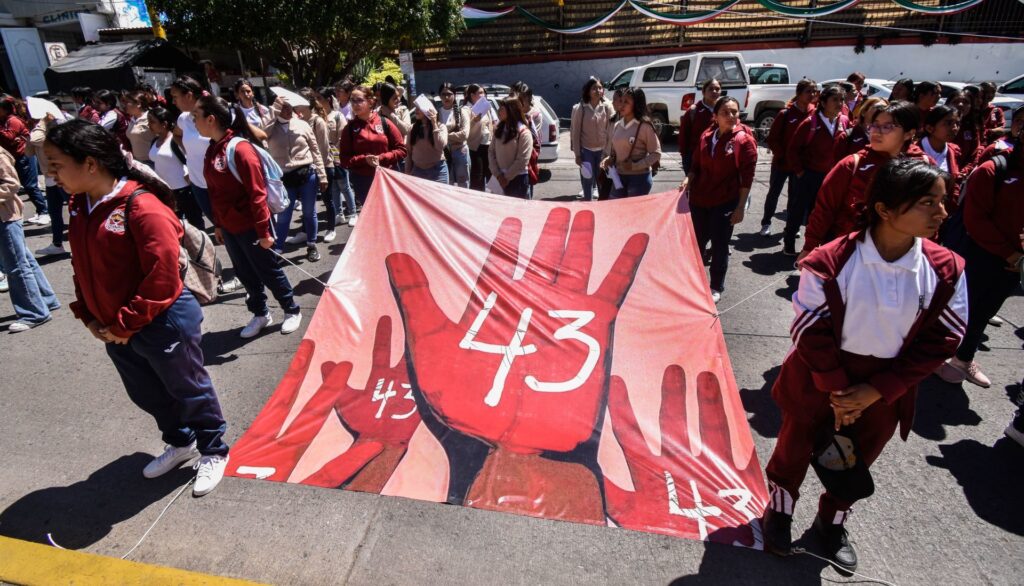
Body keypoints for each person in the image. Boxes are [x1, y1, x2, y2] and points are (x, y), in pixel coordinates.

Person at [762, 158, 966, 573]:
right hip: (818, 377)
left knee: (860, 456)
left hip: (886, 386)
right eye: (928, 203)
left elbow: (945, 337)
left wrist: (878, 390)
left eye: (943, 201)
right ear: (885, 209)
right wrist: (839, 389)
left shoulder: (946, 268)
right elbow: (809, 328)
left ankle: (831, 523)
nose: (942, 212)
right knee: (793, 448)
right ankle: (779, 512)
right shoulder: (832, 259)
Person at [44, 119, 230, 496]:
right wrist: (89, 316)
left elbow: (162, 278)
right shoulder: (79, 205)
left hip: (161, 321)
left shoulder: (142, 206)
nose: (51, 174)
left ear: (90, 164)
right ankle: (180, 442)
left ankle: (214, 449)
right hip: (115, 326)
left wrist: (124, 324)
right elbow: (82, 266)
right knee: (147, 392)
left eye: (57, 164)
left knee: (188, 388)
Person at [193, 96, 304, 339]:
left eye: (196, 117)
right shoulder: (212, 149)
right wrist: (218, 224)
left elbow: (257, 194)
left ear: (211, 119)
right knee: (244, 272)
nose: (193, 122)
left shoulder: (241, 149)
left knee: (268, 270)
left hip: (252, 226)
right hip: (230, 227)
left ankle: (291, 309)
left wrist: (264, 232)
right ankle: (260, 313)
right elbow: (214, 192)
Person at [937, 114, 1022, 388]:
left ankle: (963, 359)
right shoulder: (993, 170)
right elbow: (976, 220)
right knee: (960, 308)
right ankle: (936, 356)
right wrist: (1010, 253)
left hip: (1013, 264)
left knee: (984, 312)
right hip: (980, 255)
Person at [798, 101, 930, 261]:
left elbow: (932, 215)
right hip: (850, 254)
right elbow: (824, 209)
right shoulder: (853, 164)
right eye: (874, 125)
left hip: (902, 258)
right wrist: (810, 247)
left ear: (909, 133)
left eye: (887, 127)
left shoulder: (924, 166)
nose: (877, 132)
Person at [678, 95, 757, 303]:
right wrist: (688, 179)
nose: (731, 116)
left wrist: (740, 207)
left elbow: (747, 178)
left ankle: (715, 286)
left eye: (734, 112)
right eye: (725, 112)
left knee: (720, 245)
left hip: (725, 201)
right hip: (699, 200)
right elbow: (695, 166)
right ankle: (693, 282)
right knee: (696, 244)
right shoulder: (706, 136)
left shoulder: (743, 141)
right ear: (715, 116)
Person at [783, 85, 850, 256]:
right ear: (823, 102)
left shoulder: (843, 122)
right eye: (835, 99)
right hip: (808, 175)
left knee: (821, 213)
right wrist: (800, 172)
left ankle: (814, 248)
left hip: (831, 177)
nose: (839, 103)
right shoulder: (810, 123)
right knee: (797, 211)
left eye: (842, 100)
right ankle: (789, 245)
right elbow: (792, 150)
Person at [0, 145, 59, 331]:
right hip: (6, 216)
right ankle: (46, 300)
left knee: (16, 266)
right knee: (24, 261)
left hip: (6, 216)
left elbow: (11, 184)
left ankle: (34, 313)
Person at [266, 95, 328, 260]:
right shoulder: (271, 126)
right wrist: (273, 111)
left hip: (307, 175)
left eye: (289, 107)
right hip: (284, 178)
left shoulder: (302, 124)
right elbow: (260, 135)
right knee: (284, 215)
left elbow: (315, 150)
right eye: (283, 107)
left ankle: (311, 245)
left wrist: (322, 175)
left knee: (309, 212)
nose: (288, 110)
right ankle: (279, 249)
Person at [762, 79, 819, 236]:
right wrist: (782, 155)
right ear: (799, 93)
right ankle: (766, 223)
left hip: (800, 165)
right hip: (782, 163)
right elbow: (772, 139)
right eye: (808, 91)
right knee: (774, 193)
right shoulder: (785, 114)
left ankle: (791, 227)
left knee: (795, 197)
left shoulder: (815, 114)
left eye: (814, 91)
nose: (812, 94)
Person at [338, 84, 407, 207]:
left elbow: (402, 150)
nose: (355, 104)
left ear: (370, 102)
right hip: (363, 182)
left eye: (359, 100)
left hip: (387, 178)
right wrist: (364, 159)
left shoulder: (385, 122)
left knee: (391, 213)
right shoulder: (349, 129)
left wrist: (381, 158)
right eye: (352, 100)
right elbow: (344, 159)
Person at [148, 107, 203, 230]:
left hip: (183, 190)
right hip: (166, 191)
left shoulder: (175, 140)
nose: (149, 125)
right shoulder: (154, 141)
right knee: (174, 225)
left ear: (164, 124)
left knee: (195, 223)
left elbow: (188, 158)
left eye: (152, 122)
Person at [170, 76, 215, 222]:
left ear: (189, 96)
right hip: (198, 184)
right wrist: (188, 156)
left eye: (175, 97)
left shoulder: (214, 115)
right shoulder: (183, 119)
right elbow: (176, 135)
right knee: (218, 226)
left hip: (220, 185)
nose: (173, 102)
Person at [295, 87, 337, 244]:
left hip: (323, 166)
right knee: (308, 202)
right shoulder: (298, 122)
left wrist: (320, 171)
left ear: (307, 103)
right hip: (306, 168)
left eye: (298, 102)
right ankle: (305, 231)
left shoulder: (318, 121)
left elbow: (324, 149)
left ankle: (331, 229)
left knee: (327, 199)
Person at [602, 88, 661, 198]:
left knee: (633, 210)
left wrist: (634, 166)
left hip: (639, 179)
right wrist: (609, 159)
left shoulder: (644, 126)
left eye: (626, 102)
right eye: (621, 101)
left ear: (636, 105)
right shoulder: (617, 125)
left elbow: (656, 153)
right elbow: (614, 153)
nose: (621, 105)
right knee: (615, 207)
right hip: (618, 177)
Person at [30, 106, 73, 257]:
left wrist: (41, 123)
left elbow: (36, 139)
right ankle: (57, 244)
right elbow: (28, 151)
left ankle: (83, 244)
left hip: (61, 178)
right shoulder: (39, 132)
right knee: (55, 214)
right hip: (50, 179)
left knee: (75, 212)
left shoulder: (53, 132)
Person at [0, 96, 48, 225]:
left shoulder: (13, 120)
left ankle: (44, 212)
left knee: (30, 186)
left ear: (4, 109)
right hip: (17, 157)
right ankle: (41, 210)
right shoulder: (4, 121)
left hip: (24, 156)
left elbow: (9, 137)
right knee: (27, 186)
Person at [316, 86, 356, 228]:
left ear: (328, 99)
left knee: (344, 186)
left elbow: (342, 138)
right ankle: (339, 213)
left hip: (337, 156)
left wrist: (335, 154)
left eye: (319, 98)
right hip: (324, 158)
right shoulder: (317, 118)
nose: (316, 101)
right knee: (333, 187)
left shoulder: (337, 115)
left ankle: (353, 213)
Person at [570, 77, 614, 201]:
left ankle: (601, 206)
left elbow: (611, 130)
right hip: (586, 151)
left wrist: (608, 152)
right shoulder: (581, 108)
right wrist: (577, 154)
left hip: (602, 152)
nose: (598, 90)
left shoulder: (607, 107)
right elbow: (576, 133)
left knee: (601, 180)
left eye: (600, 88)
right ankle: (588, 203)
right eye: (594, 88)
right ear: (588, 91)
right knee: (587, 180)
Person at [916, 105, 962, 213]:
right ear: (930, 128)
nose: (955, 128)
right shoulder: (914, 153)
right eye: (948, 123)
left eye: (957, 123)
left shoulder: (954, 151)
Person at [487, 97, 533, 198]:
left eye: (502, 108)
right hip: (498, 179)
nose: (499, 111)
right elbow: (491, 151)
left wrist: (506, 178)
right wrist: (498, 175)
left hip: (517, 179)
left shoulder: (524, 132)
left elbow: (523, 159)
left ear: (511, 111)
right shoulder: (499, 129)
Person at [678, 78, 720, 176]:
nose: (714, 91)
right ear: (703, 92)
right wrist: (686, 158)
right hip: (695, 158)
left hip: (717, 157)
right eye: (711, 89)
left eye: (717, 89)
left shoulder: (723, 110)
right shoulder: (693, 111)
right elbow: (683, 136)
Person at [439, 82, 471, 189]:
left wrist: (445, 135)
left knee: (463, 183)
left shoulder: (462, 112)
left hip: (460, 151)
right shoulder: (437, 113)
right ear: (440, 96)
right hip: (444, 153)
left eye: (449, 94)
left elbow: (464, 134)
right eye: (443, 94)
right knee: (448, 183)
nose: (446, 97)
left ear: (454, 95)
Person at [406, 104, 449, 183]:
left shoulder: (441, 127)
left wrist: (434, 124)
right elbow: (409, 152)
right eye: (416, 107)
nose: (416, 110)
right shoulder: (412, 129)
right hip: (418, 172)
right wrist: (407, 172)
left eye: (420, 107)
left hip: (438, 172)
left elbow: (440, 146)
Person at [947, 90, 983, 177]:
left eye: (966, 102)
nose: (960, 105)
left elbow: (974, 155)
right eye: (955, 102)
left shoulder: (972, 128)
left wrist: (965, 171)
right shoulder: (939, 125)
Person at [466, 84, 493, 191]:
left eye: (484, 93)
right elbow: (466, 128)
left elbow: (491, 124)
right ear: (472, 95)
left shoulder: (486, 107)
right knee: (478, 176)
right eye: (480, 93)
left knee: (491, 175)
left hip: (488, 145)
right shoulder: (467, 109)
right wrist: (474, 120)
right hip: (476, 147)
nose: (483, 95)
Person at [122, 91, 155, 165]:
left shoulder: (151, 118)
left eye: (127, 102)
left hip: (152, 161)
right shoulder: (132, 120)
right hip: (139, 161)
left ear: (138, 104)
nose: (125, 105)